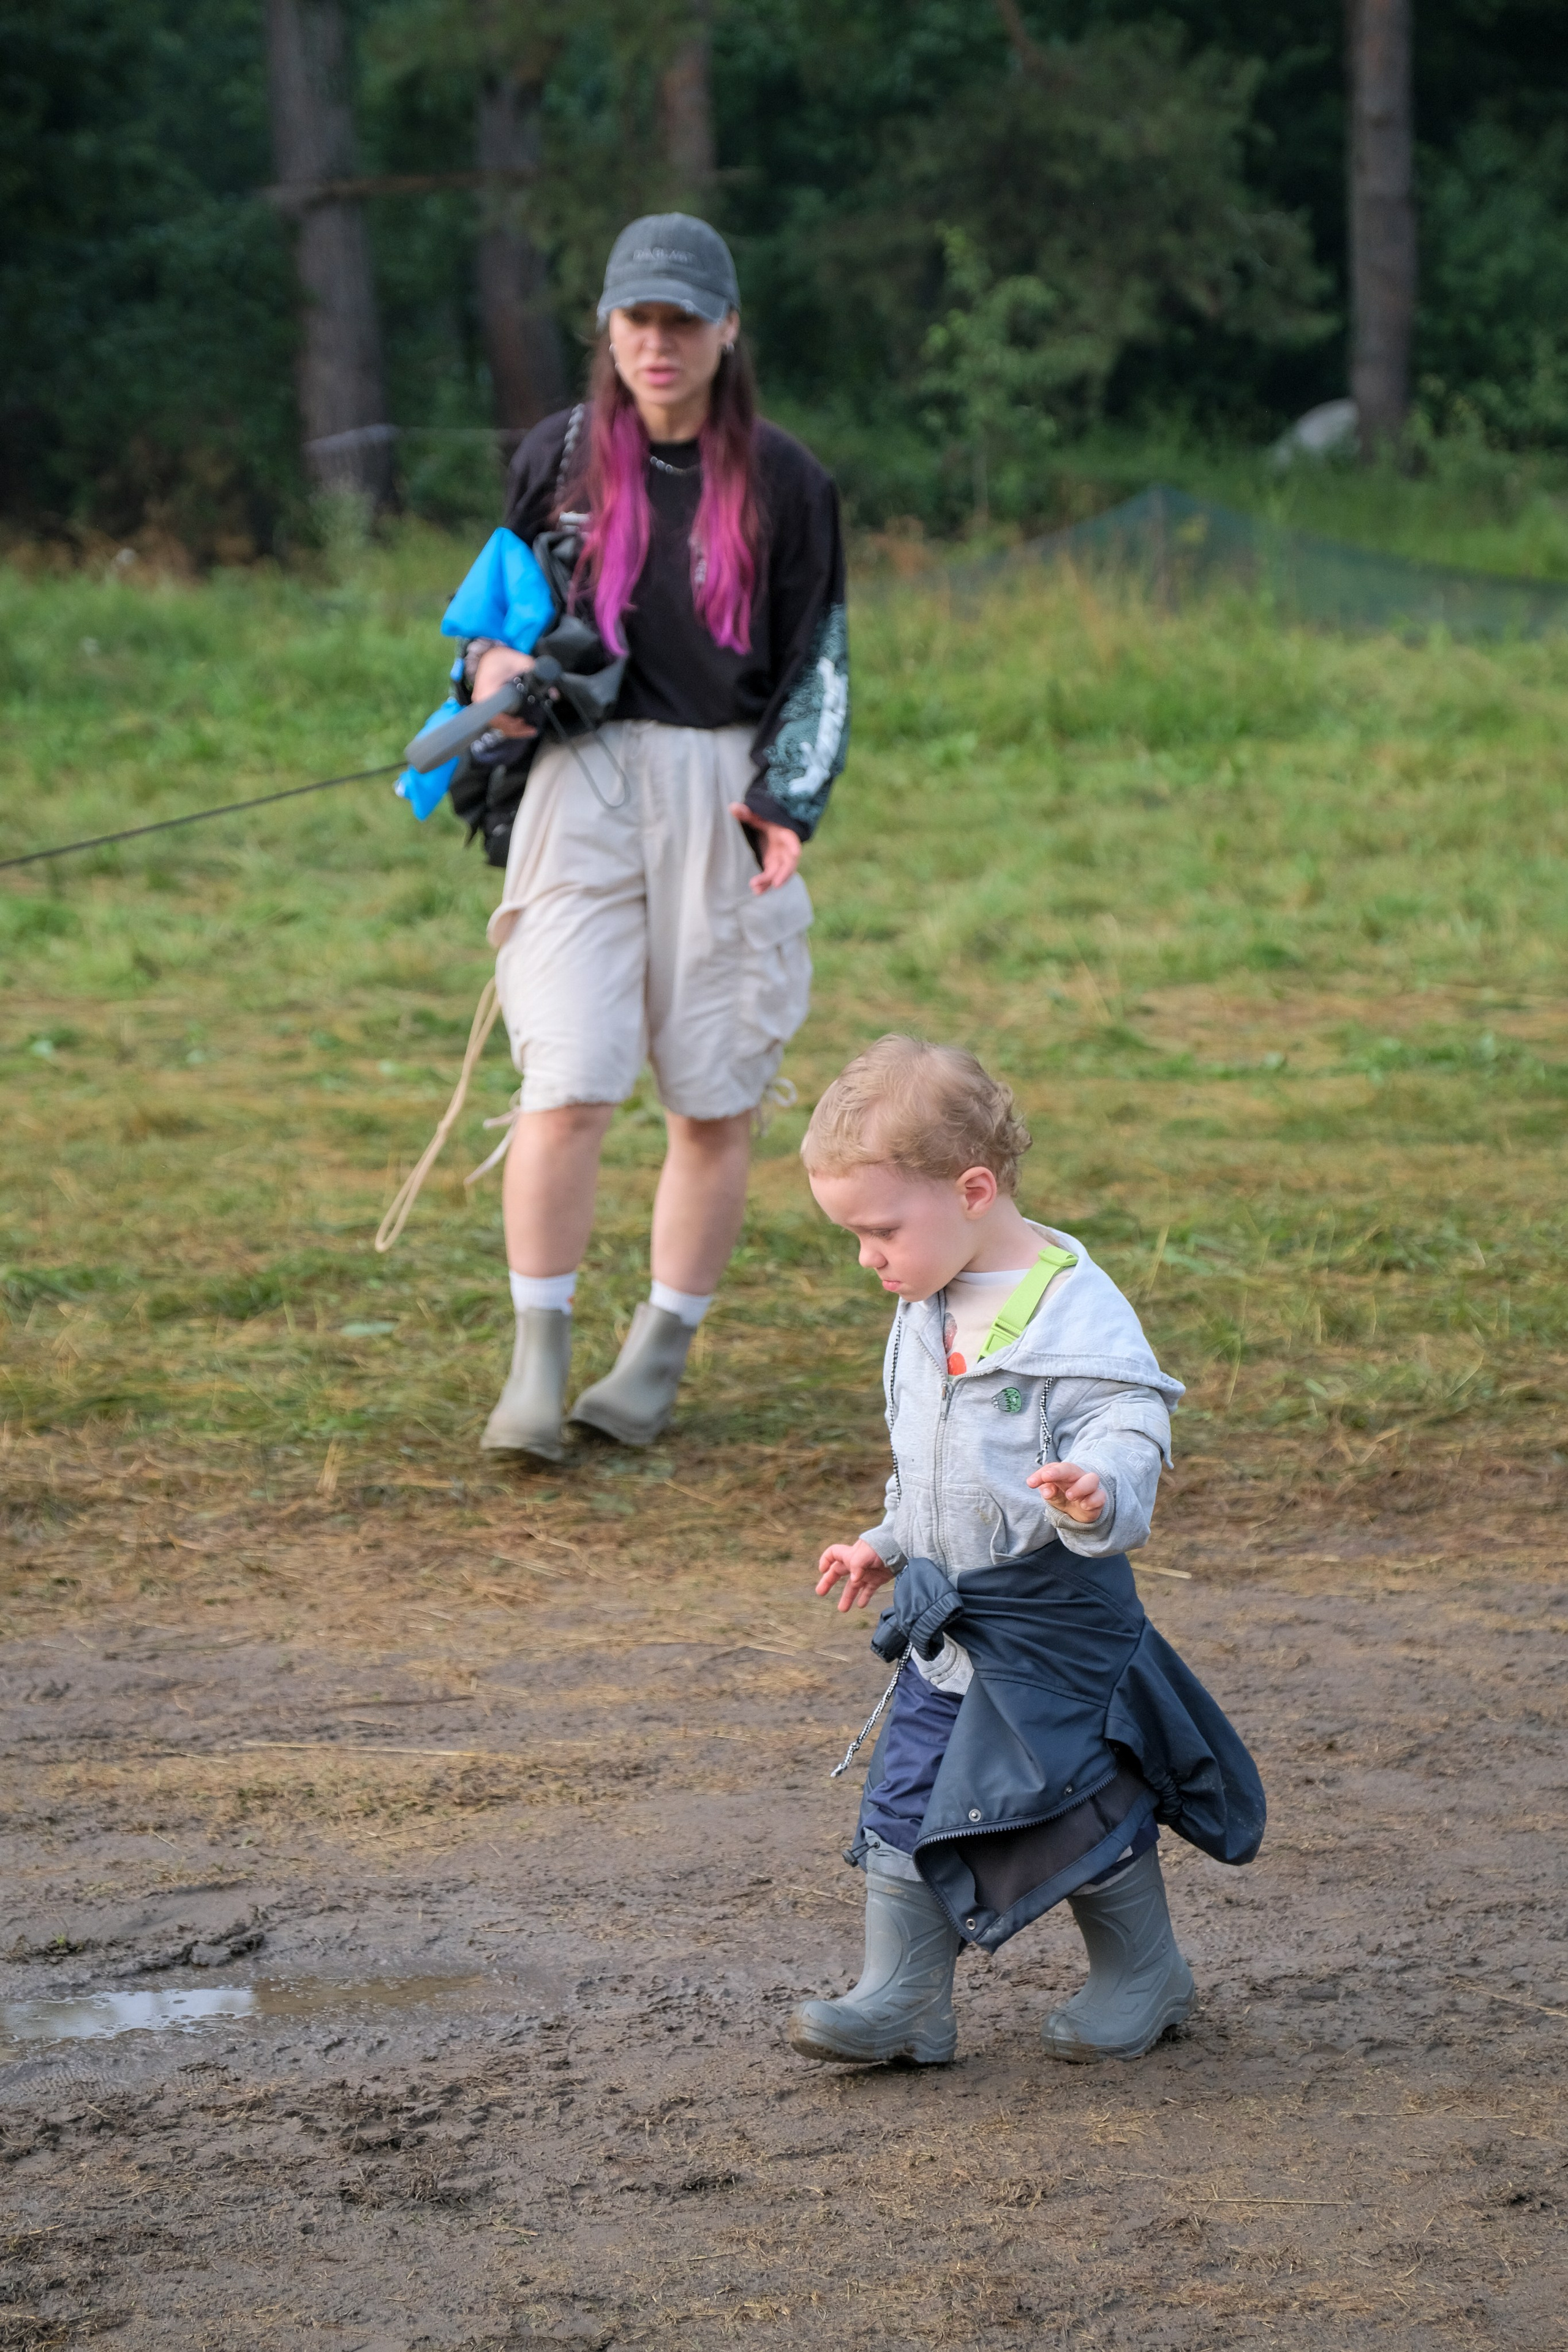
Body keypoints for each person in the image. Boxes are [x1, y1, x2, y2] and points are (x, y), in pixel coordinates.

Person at [792, 1038, 1265, 2067]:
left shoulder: (1074, 1317)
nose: (867, 1257)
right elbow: (927, 1463)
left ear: (971, 1190)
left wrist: (1098, 1491)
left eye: (879, 1230)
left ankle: (1144, 1974)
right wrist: (886, 1540)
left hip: (1055, 1630)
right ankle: (903, 2000)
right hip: (950, 1630)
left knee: (1074, 1806)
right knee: (906, 1797)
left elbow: (1128, 1430)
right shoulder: (926, 1305)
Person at [470, 214, 848, 1462]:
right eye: (637, 319)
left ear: (726, 329)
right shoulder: (558, 457)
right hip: (578, 785)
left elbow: (817, 668)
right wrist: (495, 675)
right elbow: (493, 619)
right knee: (566, 1077)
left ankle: (658, 1355)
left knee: (710, 1094)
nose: (657, 343)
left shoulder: (788, 483)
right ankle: (538, 1364)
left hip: (723, 791)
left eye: (683, 320)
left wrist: (782, 808)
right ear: (608, 328)